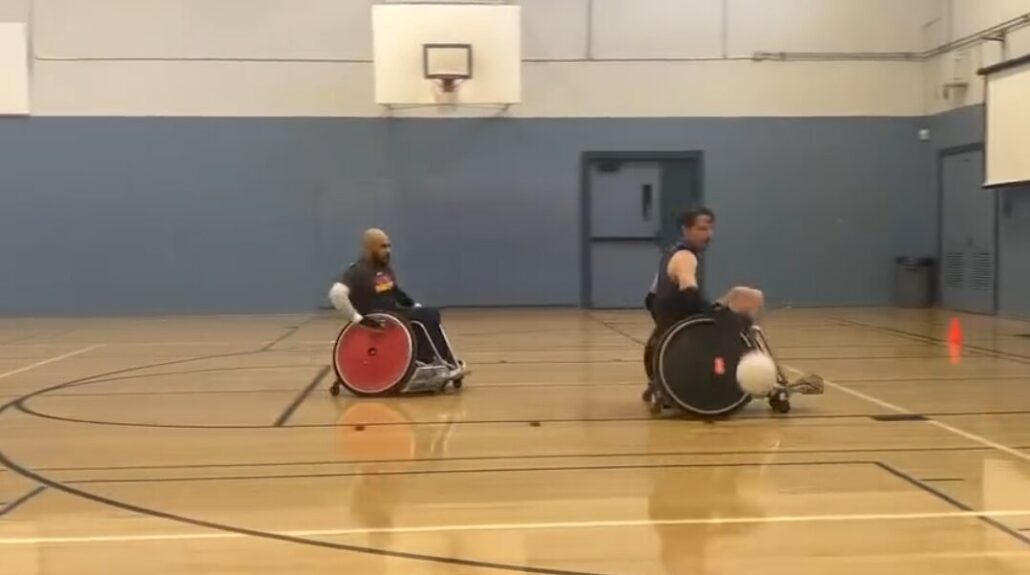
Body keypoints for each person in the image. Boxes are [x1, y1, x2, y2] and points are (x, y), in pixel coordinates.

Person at [330, 228, 462, 372]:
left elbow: (395, 292)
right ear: (369, 248)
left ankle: (441, 358)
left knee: (430, 313)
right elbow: (336, 294)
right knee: (426, 316)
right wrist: (357, 319)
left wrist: (414, 304)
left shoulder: (384, 269)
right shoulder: (358, 271)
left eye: (389, 246)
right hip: (379, 319)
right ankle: (429, 361)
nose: (388, 251)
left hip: (394, 313)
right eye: (382, 247)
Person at [647, 208, 764, 335]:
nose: (709, 235)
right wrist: (713, 313)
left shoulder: (670, 254)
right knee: (753, 298)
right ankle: (746, 342)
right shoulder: (685, 257)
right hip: (686, 327)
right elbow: (690, 297)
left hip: (672, 324)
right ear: (685, 230)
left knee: (739, 293)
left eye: (710, 229)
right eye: (702, 229)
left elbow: (650, 299)